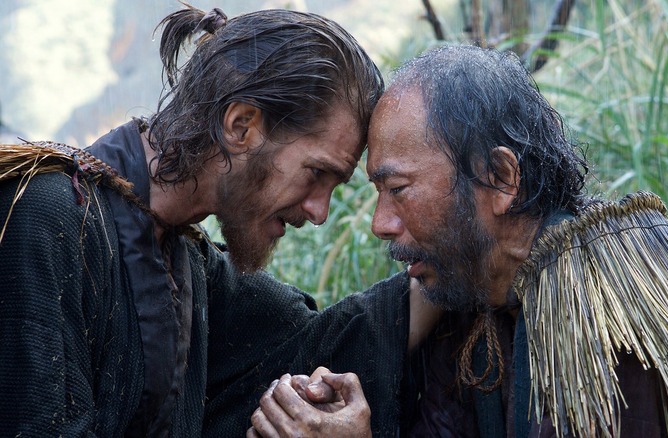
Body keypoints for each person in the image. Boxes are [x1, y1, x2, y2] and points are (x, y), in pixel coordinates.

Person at [252, 44, 668, 437]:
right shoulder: (473, 293)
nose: (380, 223)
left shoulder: (613, 316)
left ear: (501, 179)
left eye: (398, 189)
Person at [0, 6, 438, 437]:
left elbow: (320, 340)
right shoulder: (45, 213)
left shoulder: (186, 259)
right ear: (241, 125)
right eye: (316, 173)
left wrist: (460, 254)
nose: (319, 213)